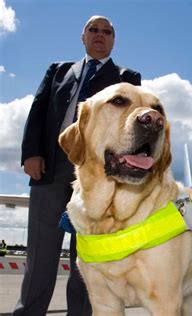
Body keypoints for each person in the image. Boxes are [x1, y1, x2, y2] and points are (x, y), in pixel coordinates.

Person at [14, 15, 141, 316]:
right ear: (83, 36)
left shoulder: (128, 78)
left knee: (87, 260)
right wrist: (31, 153)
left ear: (113, 40)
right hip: (49, 170)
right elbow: (38, 112)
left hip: (97, 180)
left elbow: (129, 128)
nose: (100, 35)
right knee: (40, 256)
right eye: (93, 30)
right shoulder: (57, 70)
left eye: (106, 32)